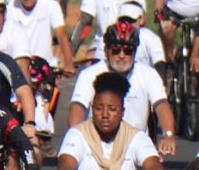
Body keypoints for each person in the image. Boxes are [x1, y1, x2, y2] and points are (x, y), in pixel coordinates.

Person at [67, 21, 175, 152]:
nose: (122, 55)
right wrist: (75, 138)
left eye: (128, 51)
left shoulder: (148, 74)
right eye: (116, 50)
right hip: (98, 147)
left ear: (135, 53)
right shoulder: (89, 74)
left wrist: (168, 135)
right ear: (106, 51)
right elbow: (77, 108)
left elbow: (162, 105)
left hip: (137, 147)